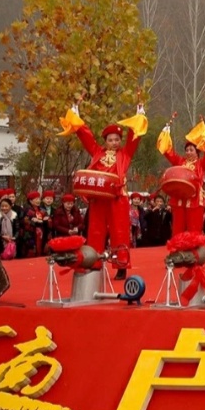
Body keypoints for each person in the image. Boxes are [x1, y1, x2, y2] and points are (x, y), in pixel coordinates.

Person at [69, 104, 145, 279]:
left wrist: (139, 117)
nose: (114, 142)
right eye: (110, 140)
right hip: (99, 197)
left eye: (117, 139)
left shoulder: (125, 154)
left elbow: (134, 139)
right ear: (105, 141)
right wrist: (77, 120)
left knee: (120, 231)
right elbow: (86, 138)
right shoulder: (97, 152)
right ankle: (94, 262)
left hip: (118, 197)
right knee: (95, 230)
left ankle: (121, 264)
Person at [158, 128, 205, 236]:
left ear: (197, 152)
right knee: (178, 226)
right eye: (187, 150)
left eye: (191, 150)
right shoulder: (180, 161)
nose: (188, 152)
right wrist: (165, 135)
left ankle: (194, 246)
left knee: (194, 227)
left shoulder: (201, 164)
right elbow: (169, 153)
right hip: (179, 198)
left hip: (195, 199)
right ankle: (178, 245)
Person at [21, 191, 50, 257]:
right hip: (31, 235)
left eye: (39, 199)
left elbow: (48, 219)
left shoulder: (42, 209)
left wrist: (46, 220)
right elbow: (24, 221)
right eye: (36, 199)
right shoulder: (26, 210)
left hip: (42, 233)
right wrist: (33, 222)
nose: (38, 201)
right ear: (30, 201)